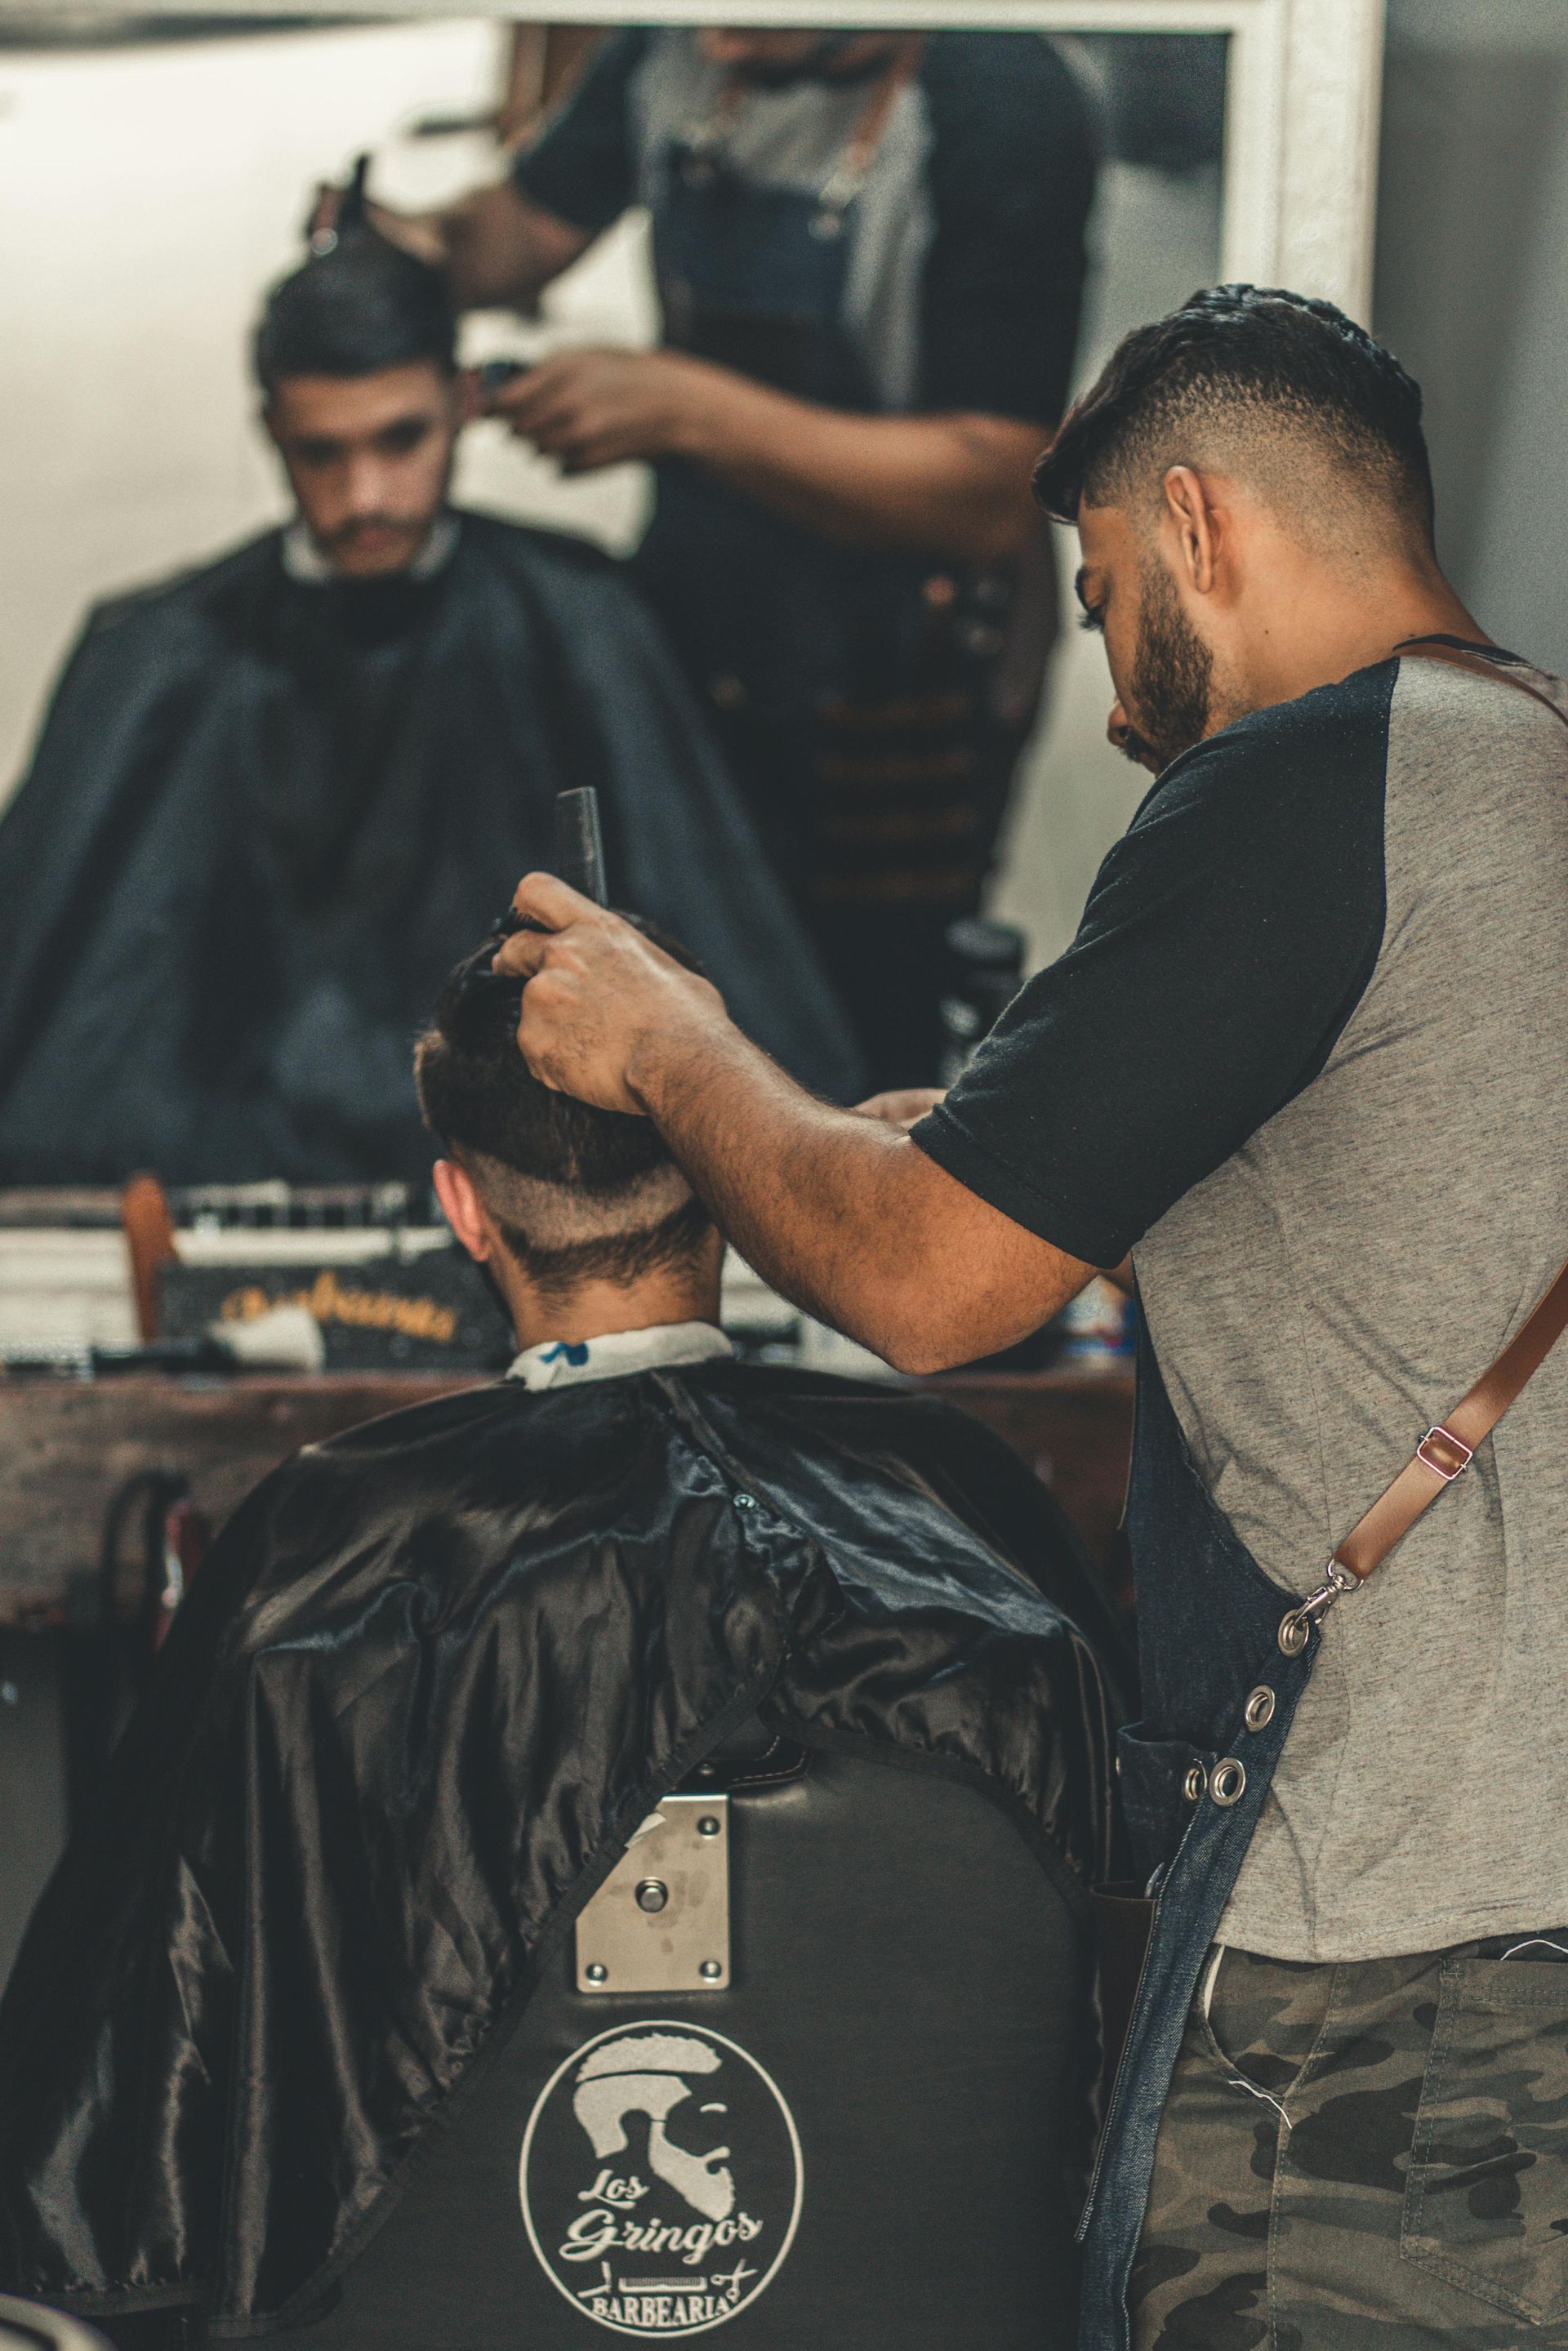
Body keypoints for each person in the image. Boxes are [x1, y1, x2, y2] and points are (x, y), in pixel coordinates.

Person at [486, 285, 1568, 2350]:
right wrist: (1053, 1184)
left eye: (1092, 608)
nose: (1109, 703)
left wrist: (672, 1042)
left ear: (1192, 525)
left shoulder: (1305, 785)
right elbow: (1407, 1226)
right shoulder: (1518, 776)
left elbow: (921, 1288)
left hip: (1382, 1968)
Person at [0, 919, 1122, 2349]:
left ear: (461, 1208)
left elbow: (124, 2108)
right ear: (731, 1180)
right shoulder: (962, 1496)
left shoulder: (314, 1554)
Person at [0, 219, 858, 1190]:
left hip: (529, 1174)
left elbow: (737, 983)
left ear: (459, 405)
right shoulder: (155, 654)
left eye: (399, 439)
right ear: (272, 433)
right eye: (322, 452)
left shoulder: (581, 623)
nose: (366, 495)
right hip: (207, 1170)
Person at [380, 27, 1098, 1084]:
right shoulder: (680, 47)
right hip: (696, 630)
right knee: (695, 991)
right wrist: (416, 246)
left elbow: (991, 487)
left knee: (851, 1044)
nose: (709, 27)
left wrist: (681, 408)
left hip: (898, 687)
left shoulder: (1000, 101)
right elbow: (520, 232)